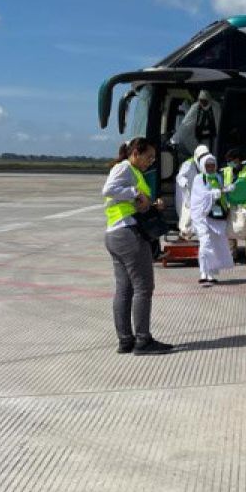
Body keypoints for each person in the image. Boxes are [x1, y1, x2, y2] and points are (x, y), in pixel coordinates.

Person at [102, 137, 173, 354]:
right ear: (135, 153)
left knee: (124, 289)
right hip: (128, 235)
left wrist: (152, 204)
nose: (150, 161)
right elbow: (109, 190)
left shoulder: (134, 173)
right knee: (143, 287)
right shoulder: (124, 168)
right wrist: (136, 193)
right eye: (148, 156)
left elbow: (133, 204)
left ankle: (126, 340)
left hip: (115, 234)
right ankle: (143, 340)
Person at [190, 153, 234, 286]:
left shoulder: (218, 178)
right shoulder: (199, 178)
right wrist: (215, 193)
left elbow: (220, 194)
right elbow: (200, 197)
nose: (210, 167)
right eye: (207, 165)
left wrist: (226, 190)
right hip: (202, 216)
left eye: (212, 165)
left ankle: (211, 273)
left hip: (216, 216)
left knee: (215, 243)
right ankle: (203, 272)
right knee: (205, 243)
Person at [223, 149, 246, 267]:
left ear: (238, 159)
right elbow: (223, 189)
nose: (229, 163)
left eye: (231, 160)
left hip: (244, 206)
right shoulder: (226, 171)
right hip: (230, 205)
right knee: (230, 232)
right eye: (228, 161)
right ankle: (232, 257)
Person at [173, 90, 221, 156]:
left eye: (205, 101)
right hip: (199, 139)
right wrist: (174, 140)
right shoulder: (195, 108)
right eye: (201, 101)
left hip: (214, 139)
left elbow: (218, 124)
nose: (203, 103)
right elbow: (185, 126)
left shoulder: (216, 107)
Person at [176, 144, 210, 238]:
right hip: (188, 191)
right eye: (201, 156)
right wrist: (185, 183)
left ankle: (192, 233)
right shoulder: (188, 164)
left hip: (199, 192)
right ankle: (185, 233)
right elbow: (180, 177)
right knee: (187, 213)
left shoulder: (206, 163)